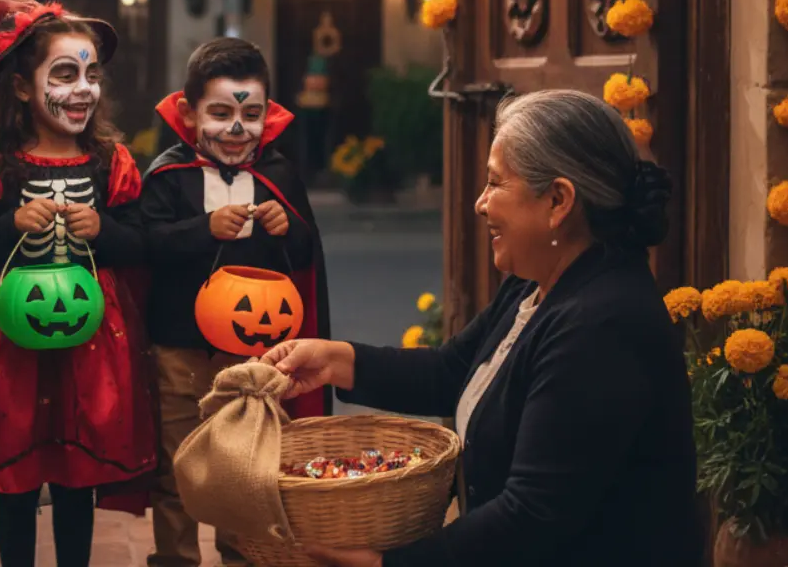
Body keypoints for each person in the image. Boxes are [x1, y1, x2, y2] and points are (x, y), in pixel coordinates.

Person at [261, 89, 703, 567]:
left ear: (557, 200)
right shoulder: (536, 284)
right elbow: (453, 371)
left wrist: (387, 564)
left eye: (495, 184)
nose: (480, 204)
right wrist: (335, 360)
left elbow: (532, 514)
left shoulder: (602, 325)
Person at [0, 0, 156, 567]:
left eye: (91, 75)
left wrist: (104, 230)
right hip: (10, 339)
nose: (82, 89)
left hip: (93, 341)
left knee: (75, 474)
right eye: (65, 73)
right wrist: (9, 222)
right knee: (17, 473)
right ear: (21, 86)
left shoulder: (109, 163)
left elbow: (139, 244)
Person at [142, 37, 331, 567]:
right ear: (188, 111)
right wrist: (202, 230)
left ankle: (241, 557)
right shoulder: (167, 176)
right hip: (180, 353)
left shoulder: (279, 173)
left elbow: (307, 251)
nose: (236, 129)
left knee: (245, 470)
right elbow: (146, 243)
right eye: (221, 113)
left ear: (267, 113)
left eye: (250, 114)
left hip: (255, 358)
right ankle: (177, 558)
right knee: (177, 468)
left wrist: (285, 225)